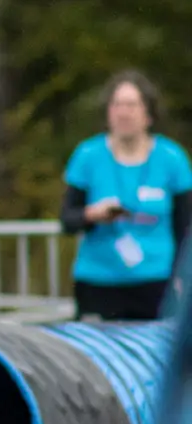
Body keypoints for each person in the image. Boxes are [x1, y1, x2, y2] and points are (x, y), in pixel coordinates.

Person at [60, 71, 192, 321]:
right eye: (117, 104)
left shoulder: (171, 158)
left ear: (148, 113)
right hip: (98, 281)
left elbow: (185, 228)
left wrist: (183, 279)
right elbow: (67, 220)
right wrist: (92, 214)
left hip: (156, 282)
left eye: (131, 105)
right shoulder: (88, 155)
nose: (123, 112)